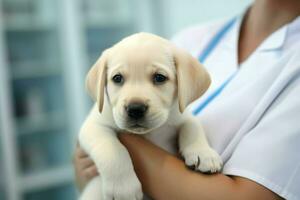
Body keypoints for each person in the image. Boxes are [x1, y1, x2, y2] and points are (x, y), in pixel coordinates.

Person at [74, 0, 300, 199]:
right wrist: (96, 160)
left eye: (159, 78)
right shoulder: (189, 38)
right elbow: (83, 162)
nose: (135, 100)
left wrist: (118, 148)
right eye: (117, 78)